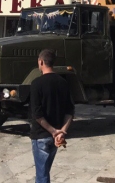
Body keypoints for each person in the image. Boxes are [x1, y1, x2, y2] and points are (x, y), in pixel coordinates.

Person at [30, 49, 74, 183]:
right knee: (45, 172)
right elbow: (70, 111)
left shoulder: (36, 83)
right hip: (56, 137)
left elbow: (37, 115)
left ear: (41, 62)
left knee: (42, 175)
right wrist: (62, 131)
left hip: (41, 135)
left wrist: (54, 131)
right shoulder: (63, 83)